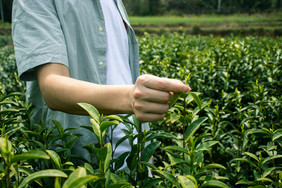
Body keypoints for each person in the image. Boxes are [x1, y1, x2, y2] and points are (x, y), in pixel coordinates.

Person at [12, 0, 191, 166]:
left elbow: (122, 72)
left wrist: (144, 145)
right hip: (83, 164)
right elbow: (52, 88)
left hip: (135, 164)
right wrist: (131, 98)